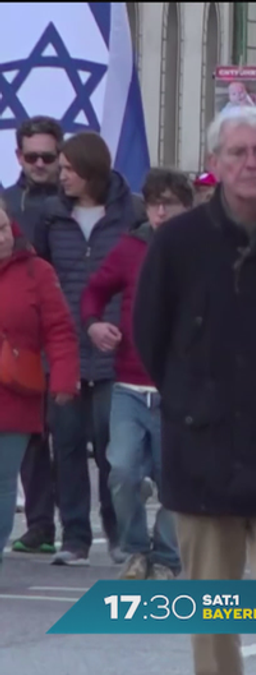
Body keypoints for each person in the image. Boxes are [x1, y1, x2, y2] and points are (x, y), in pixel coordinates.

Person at [133, 106, 256, 675]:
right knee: (213, 611)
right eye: (238, 152)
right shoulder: (178, 245)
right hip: (202, 447)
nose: (250, 162)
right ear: (214, 164)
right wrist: (191, 396)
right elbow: (150, 335)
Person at [80, 168, 193, 581]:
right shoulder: (131, 248)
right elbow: (94, 290)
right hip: (129, 385)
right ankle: (135, 549)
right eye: (154, 203)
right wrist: (94, 323)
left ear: (187, 207)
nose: (161, 212)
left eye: (170, 204)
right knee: (122, 472)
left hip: (180, 389)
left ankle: (166, 556)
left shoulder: (203, 250)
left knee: (176, 485)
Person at [36, 131, 141, 566]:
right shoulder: (50, 216)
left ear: (90, 171)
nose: (61, 177)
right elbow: (40, 273)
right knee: (68, 445)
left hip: (114, 348)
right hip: (65, 349)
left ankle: (117, 532)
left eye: (67, 170)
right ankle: (74, 537)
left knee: (112, 448)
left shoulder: (128, 214)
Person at [0, 208, 78, 572]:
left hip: (14, 395)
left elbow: (59, 330)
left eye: (2, 228)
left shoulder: (36, 272)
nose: (0, 237)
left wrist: (64, 378)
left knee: (2, 482)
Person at [5, 115, 64, 556]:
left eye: (47, 156)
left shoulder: (73, 200)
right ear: (18, 156)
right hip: (17, 345)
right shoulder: (6, 201)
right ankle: (41, 523)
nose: (40, 163)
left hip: (59, 325)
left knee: (68, 437)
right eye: (32, 156)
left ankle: (75, 527)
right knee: (28, 442)